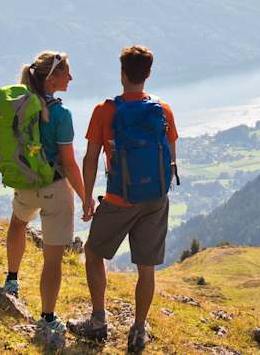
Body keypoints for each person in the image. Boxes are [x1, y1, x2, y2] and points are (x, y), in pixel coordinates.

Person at [68, 45, 178, 353]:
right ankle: (139, 330)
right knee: (146, 267)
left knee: (93, 253)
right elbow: (171, 158)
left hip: (119, 198)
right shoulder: (163, 109)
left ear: (122, 73)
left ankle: (99, 321)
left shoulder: (105, 111)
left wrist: (88, 197)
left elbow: (91, 158)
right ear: (148, 74)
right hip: (154, 199)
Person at [3, 51, 84, 348]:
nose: (71, 78)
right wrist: (86, 196)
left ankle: (11, 280)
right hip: (54, 188)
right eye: (66, 73)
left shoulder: (20, 106)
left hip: (25, 182)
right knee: (53, 257)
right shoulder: (61, 115)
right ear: (52, 78)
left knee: (17, 224)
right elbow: (69, 163)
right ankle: (47, 317)